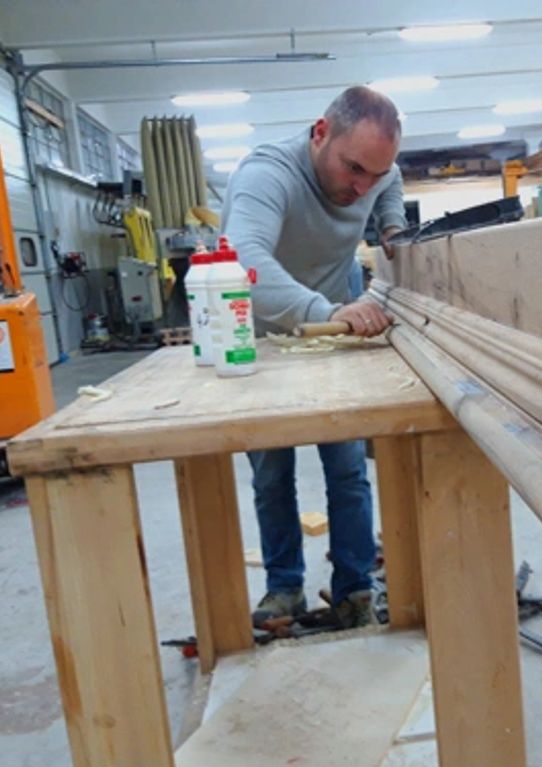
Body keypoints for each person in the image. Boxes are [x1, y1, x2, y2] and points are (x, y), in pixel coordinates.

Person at [221, 86, 405, 628]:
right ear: (320, 133)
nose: (362, 187)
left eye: (374, 174)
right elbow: (244, 262)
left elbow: (388, 185)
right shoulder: (266, 175)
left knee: (347, 467)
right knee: (272, 474)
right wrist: (328, 310)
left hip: (330, 327)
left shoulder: (375, 172)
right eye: (353, 169)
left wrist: (390, 224)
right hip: (262, 335)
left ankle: (353, 587)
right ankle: (284, 590)